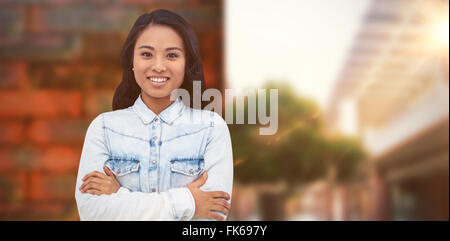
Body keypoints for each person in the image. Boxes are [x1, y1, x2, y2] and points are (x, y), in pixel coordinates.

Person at [75, 9, 233, 221]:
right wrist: (188, 202)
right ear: (131, 60)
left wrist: (118, 195)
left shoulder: (212, 128)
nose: (158, 66)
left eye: (172, 55)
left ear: (187, 63)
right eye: (147, 54)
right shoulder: (104, 128)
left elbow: (212, 217)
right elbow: (92, 213)